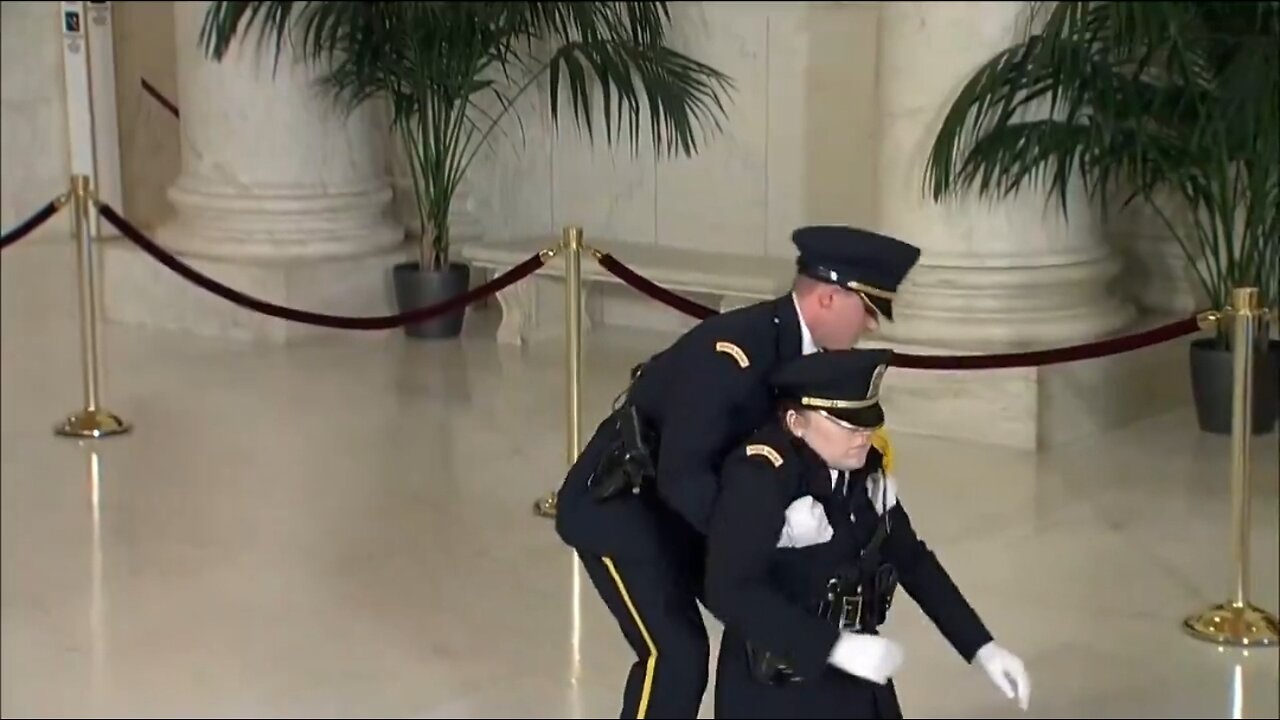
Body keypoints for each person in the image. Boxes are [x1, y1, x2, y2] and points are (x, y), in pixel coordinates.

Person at [553, 226, 923, 718]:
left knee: (767, 610)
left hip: (688, 507)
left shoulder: (807, 357)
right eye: (869, 310)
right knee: (677, 655)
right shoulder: (734, 354)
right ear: (829, 298)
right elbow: (682, 475)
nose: (873, 327)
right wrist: (775, 533)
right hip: (624, 506)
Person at [703, 349, 1031, 719]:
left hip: (858, 674)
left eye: (867, 424)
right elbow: (727, 589)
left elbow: (910, 558)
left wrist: (981, 647)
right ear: (796, 422)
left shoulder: (863, 468)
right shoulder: (761, 478)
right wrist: (834, 647)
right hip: (780, 685)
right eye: (847, 425)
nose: (864, 436)